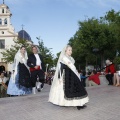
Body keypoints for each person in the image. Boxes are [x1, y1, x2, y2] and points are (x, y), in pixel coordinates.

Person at [48, 45, 89, 110]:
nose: (71, 51)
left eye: (71, 50)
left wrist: (77, 74)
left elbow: (73, 67)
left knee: (75, 88)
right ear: (65, 51)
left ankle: (79, 103)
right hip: (66, 75)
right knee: (65, 90)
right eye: (69, 50)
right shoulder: (63, 58)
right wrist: (59, 78)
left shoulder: (71, 58)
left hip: (72, 75)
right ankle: (66, 103)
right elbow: (60, 68)